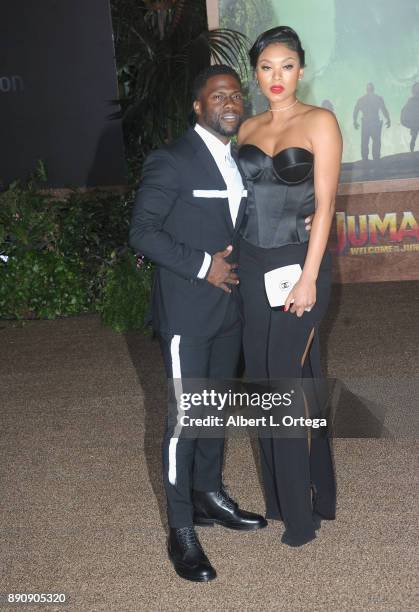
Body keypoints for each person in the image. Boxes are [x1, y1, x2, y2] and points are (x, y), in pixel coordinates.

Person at [129, 65, 268, 583]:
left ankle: (209, 495)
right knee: (186, 419)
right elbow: (142, 233)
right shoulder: (172, 160)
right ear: (197, 104)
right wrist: (203, 264)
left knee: (214, 411)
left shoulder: (239, 161)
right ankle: (180, 527)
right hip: (188, 310)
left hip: (230, 310)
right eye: (218, 95)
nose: (229, 101)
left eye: (235, 94)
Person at [237, 26, 342, 546]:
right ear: (255, 73)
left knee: (282, 383)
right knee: (266, 383)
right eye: (266, 67)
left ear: (301, 69)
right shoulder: (247, 128)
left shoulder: (320, 121)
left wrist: (309, 276)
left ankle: (302, 517)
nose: (276, 77)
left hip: (301, 267)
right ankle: (306, 493)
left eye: (287, 66)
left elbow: (324, 206)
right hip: (252, 269)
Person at [353, 82, 390, 162]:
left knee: (365, 142)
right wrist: (388, 119)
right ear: (373, 89)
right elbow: (384, 110)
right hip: (374, 123)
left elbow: (356, 111)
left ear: (367, 90)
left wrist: (355, 121)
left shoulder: (362, 99)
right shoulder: (378, 98)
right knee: (374, 142)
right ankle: (374, 159)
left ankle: (366, 159)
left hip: (367, 123)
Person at [401, 82, 419, 153]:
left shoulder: (411, 100)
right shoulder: (411, 100)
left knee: (414, 137)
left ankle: (412, 150)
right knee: (414, 137)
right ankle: (412, 150)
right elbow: (406, 109)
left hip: (415, 121)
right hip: (415, 121)